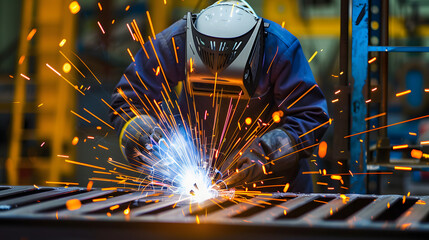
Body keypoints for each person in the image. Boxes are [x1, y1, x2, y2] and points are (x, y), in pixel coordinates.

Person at [110, 0, 329, 193]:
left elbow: (310, 117)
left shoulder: (278, 50)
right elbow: (129, 98)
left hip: (276, 191)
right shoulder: (177, 42)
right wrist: (148, 138)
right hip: (193, 184)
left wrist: (267, 153)